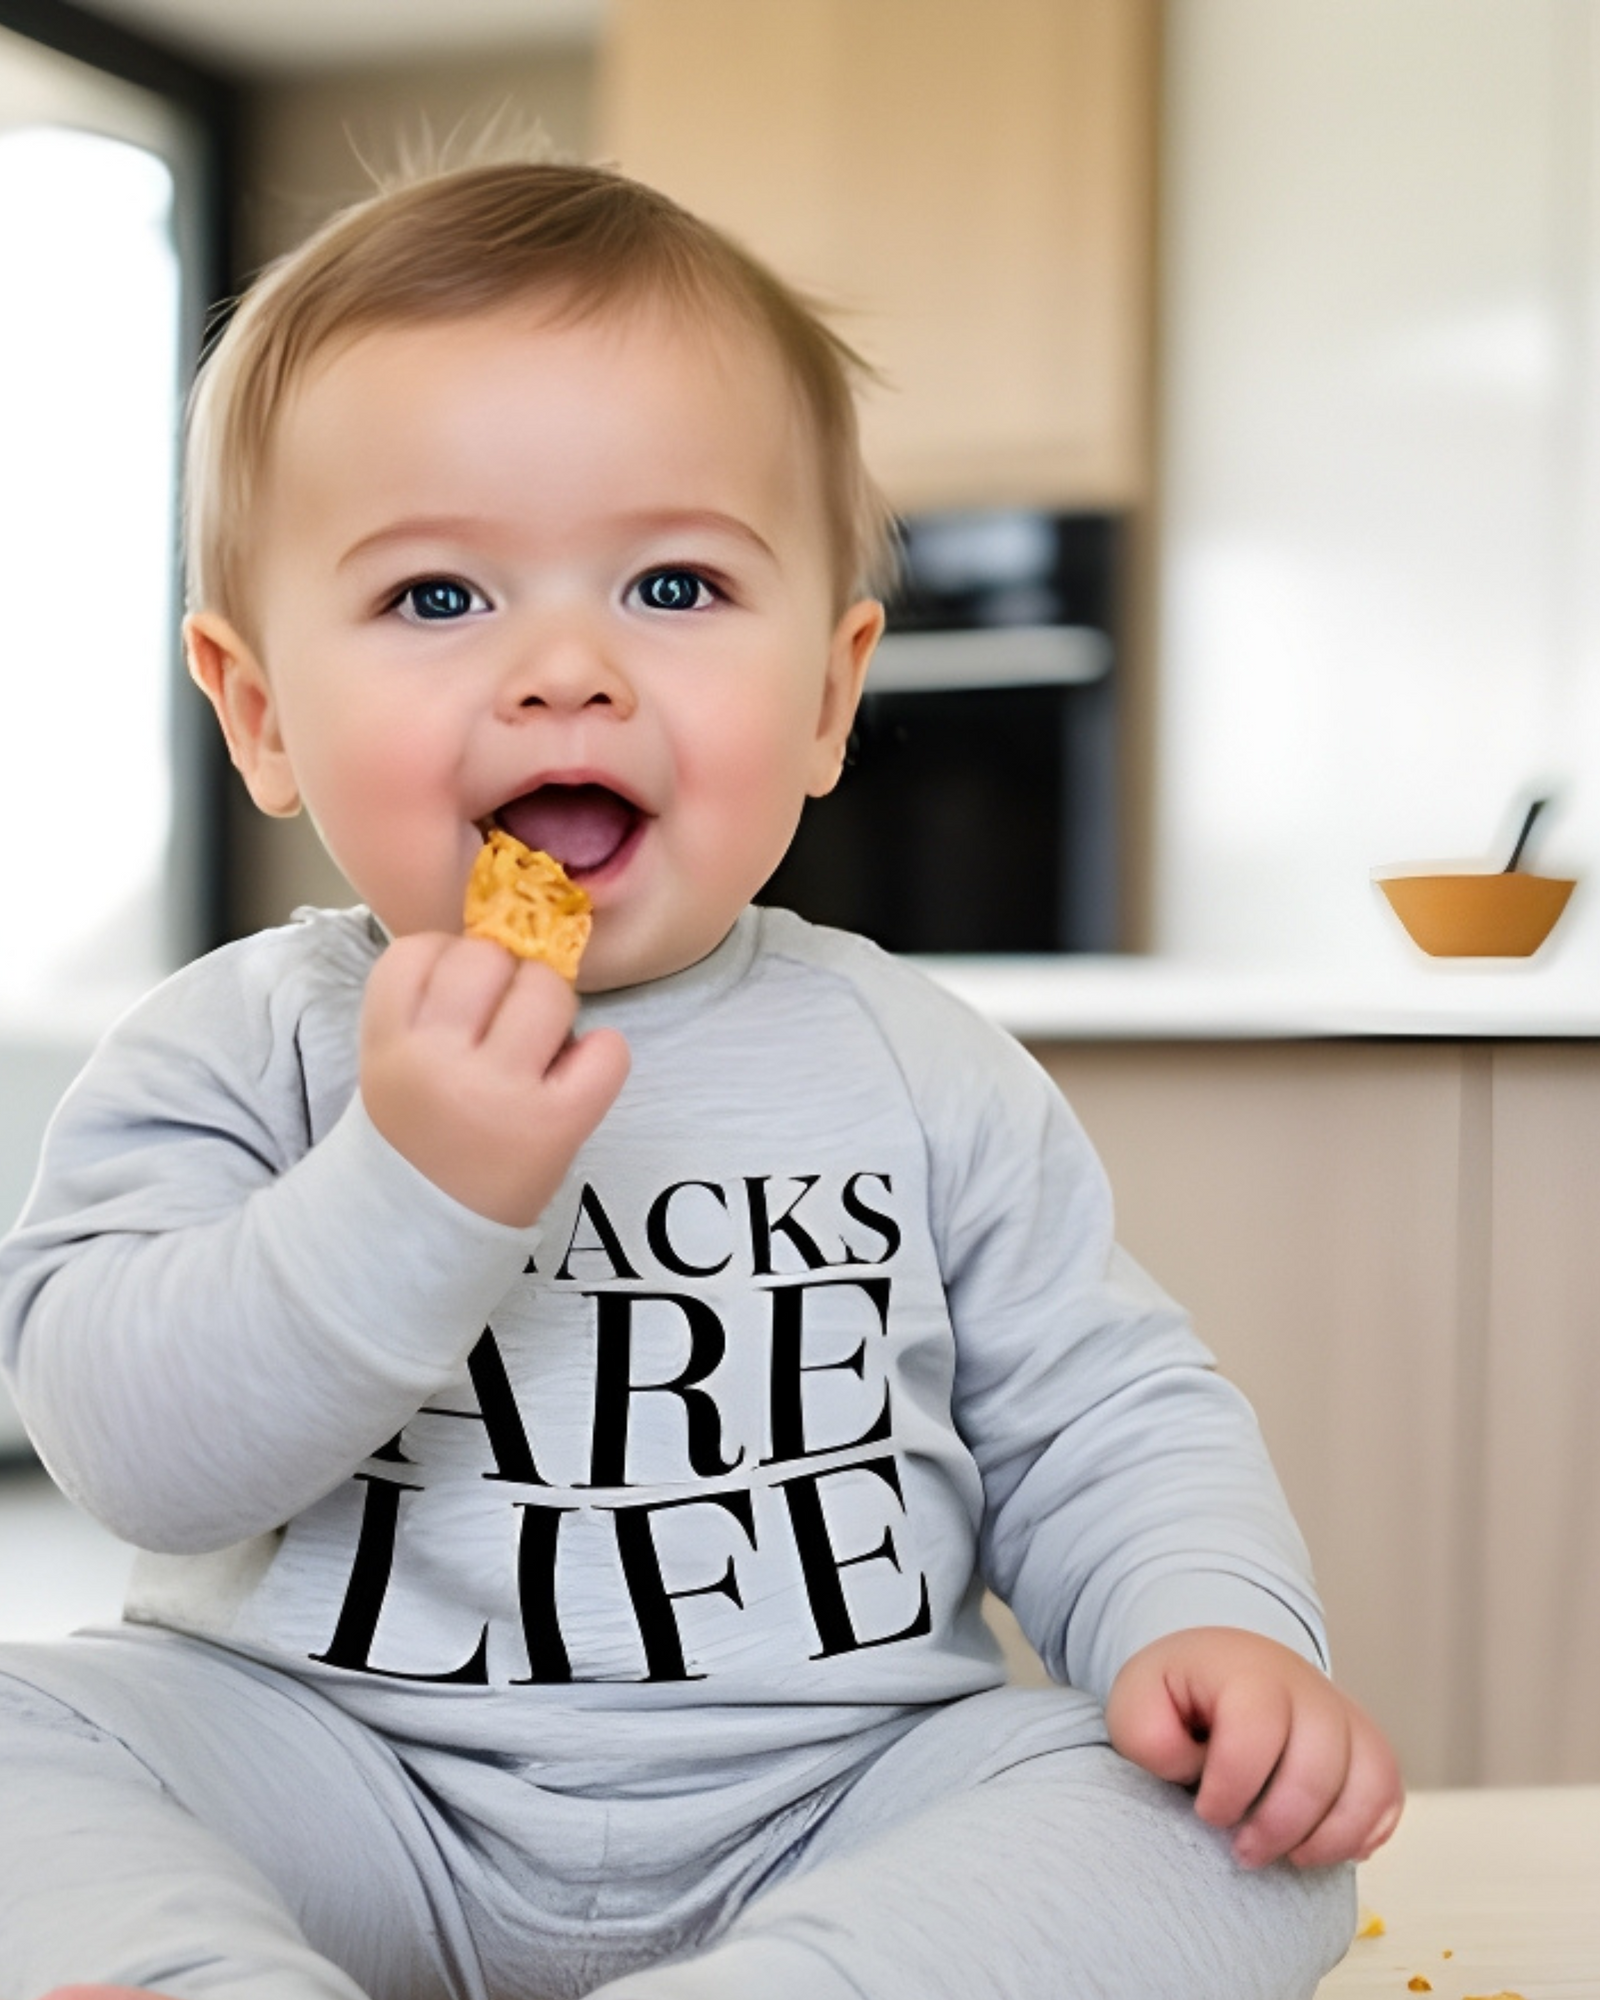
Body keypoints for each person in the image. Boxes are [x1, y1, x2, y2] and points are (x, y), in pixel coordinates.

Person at [0, 157, 1400, 2000]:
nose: (566, 670)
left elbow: (1104, 1410)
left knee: (1235, 1848)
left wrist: (1210, 1621)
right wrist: (401, 1190)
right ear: (260, 710)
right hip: (338, 1786)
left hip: (838, 1802)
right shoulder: (233, 1045)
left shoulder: (917, 1063)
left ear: (829, 700)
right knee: (35, 1738)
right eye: (436, 596)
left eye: (673, 583)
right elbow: (128, 1452)